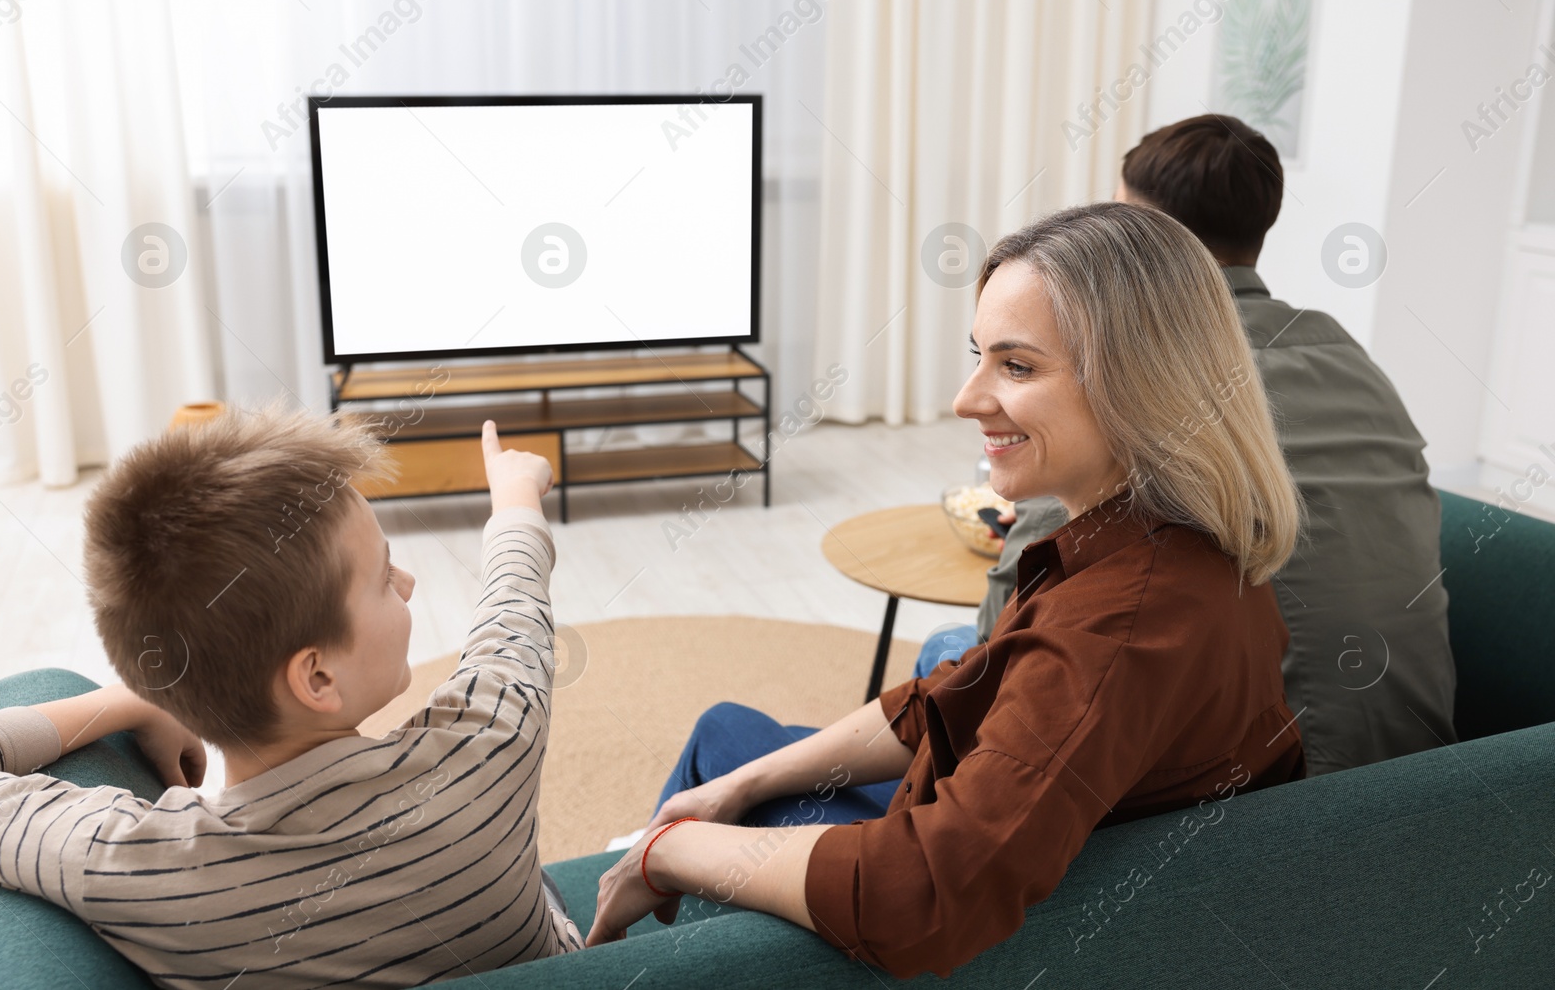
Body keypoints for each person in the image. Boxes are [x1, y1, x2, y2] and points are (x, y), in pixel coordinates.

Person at [586, 202, 1308, 977]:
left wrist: (673, 853)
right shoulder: (1158, 539)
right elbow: (958, 688)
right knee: (729, 748)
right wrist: (749, 783)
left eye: (1017, 365)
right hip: (1029, 837)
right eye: (980, 356)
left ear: (1139, 384)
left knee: (701, 771)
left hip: (983, 918)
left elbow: (925, 891)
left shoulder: (1122, 625)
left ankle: (613, 950)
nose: (967, 399)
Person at [0, 408, 580, 986]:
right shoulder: (491, 745)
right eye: (384, 576)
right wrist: (515, 492)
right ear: (317, 679)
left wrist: (136, 699)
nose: (408, 583)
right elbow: (514, 610)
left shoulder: (142, 870)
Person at [916, 114, 1456, 776]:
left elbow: (998, 639)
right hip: (1427, 777)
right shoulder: (1343, 350)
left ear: (1144, 242)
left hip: (1266, 803)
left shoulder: (1143, 380)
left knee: (943, 656)